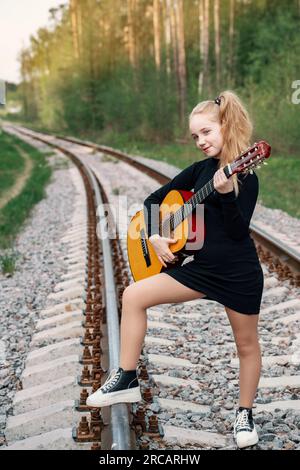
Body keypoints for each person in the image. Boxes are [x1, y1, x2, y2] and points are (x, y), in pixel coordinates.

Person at [86, 90, 264, 449]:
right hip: (200, 268)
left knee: (246, 345)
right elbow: (154, 200)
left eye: (206, 132)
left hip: (238, 272)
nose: (200, 141)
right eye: (195, 136)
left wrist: (226, 194)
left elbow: (235, 231)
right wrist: (154, 236)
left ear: (226, 126)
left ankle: (244, 414)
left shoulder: (246, 176)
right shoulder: (198, 171)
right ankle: (126, 378)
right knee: (133, 294)